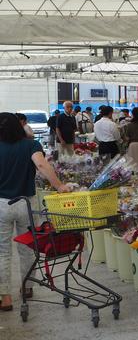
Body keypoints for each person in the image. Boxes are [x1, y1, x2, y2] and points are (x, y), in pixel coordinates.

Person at [0, 113, 71, 311]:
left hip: (0, 205)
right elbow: (41, 165)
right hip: (26, 204)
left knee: (2, 251)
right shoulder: (30, 145)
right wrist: (59, 186)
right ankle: (27, 286)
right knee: (28, 248)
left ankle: (4, 297)